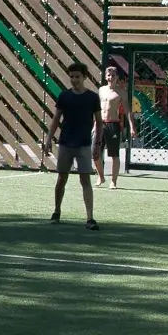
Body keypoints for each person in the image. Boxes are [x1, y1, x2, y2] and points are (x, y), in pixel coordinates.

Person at [42, 61, 100, 228]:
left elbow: (99, 122)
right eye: (72, 77)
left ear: (84, 77)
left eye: (77, 77)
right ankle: (56, 211)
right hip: (66, 143)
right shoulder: (64, 96)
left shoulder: (92, 98)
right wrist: (48, 140)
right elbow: (55, 119)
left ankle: (90, 218)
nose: (74, 79)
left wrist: (97, 143)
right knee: (62, 178)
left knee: (85, 180)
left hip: (83, 144)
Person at [98, 63, 134, 188]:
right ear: (105, 77)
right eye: (109, 75)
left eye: (113, 75)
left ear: (117, 77)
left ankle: (113, 181)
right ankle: (101, 177)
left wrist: (132, 127)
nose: (110, 77)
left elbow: (128, 110)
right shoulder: (101, 90)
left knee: (114, 154)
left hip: (113, 124)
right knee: (95, 153)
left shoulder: (121, 92)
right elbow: (97, 109)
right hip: (100, 124)